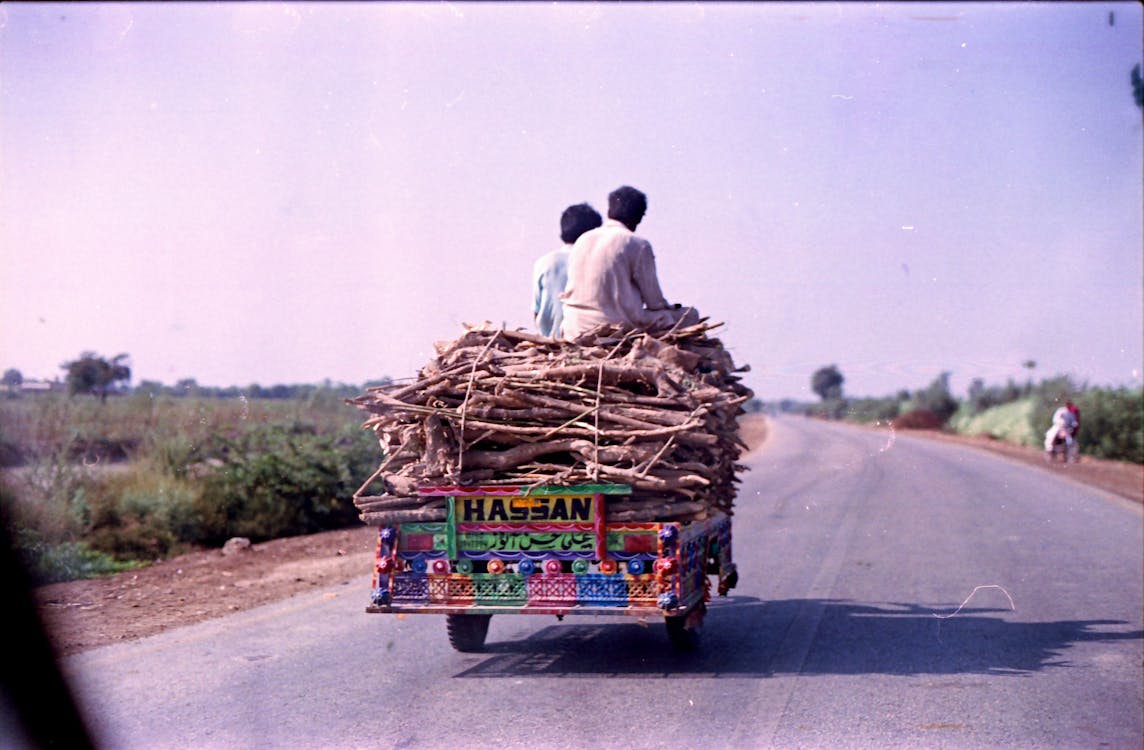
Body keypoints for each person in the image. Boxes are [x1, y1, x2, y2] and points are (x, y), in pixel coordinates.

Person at [559, 185, 699, 340]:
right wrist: (669, 308)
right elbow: (654, 302)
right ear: (638, 218)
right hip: (613, 328)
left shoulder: (583, 239)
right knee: (690, 314)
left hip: (574, 327)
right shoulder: (637, 244)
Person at [532, 203, 602, 338]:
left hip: (549, 339)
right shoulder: (594, 262)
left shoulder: (543, 262)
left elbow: (536, 311)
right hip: (585, 338)